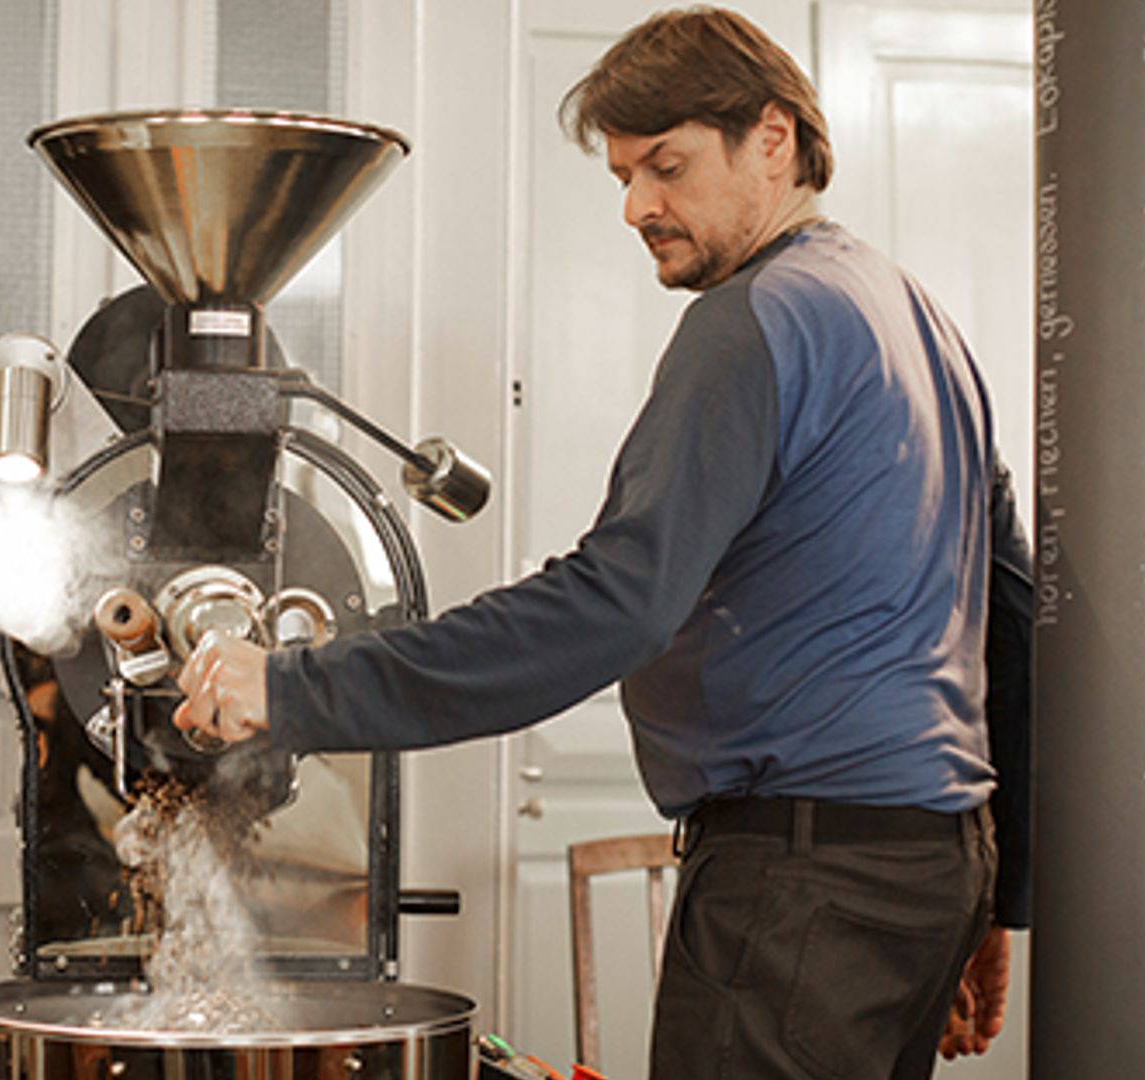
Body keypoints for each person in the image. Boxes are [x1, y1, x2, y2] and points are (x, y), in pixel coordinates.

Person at [172, 7, 1032, 1078]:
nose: (637, 207)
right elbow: (1014, 613)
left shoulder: (754, 321)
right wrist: (1000, 887)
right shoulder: (920, 321)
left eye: (665, 167)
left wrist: (296, 690)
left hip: (801, 885)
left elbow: (613, 603)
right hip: (926, 868)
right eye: (625, 175)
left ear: (774, 138)